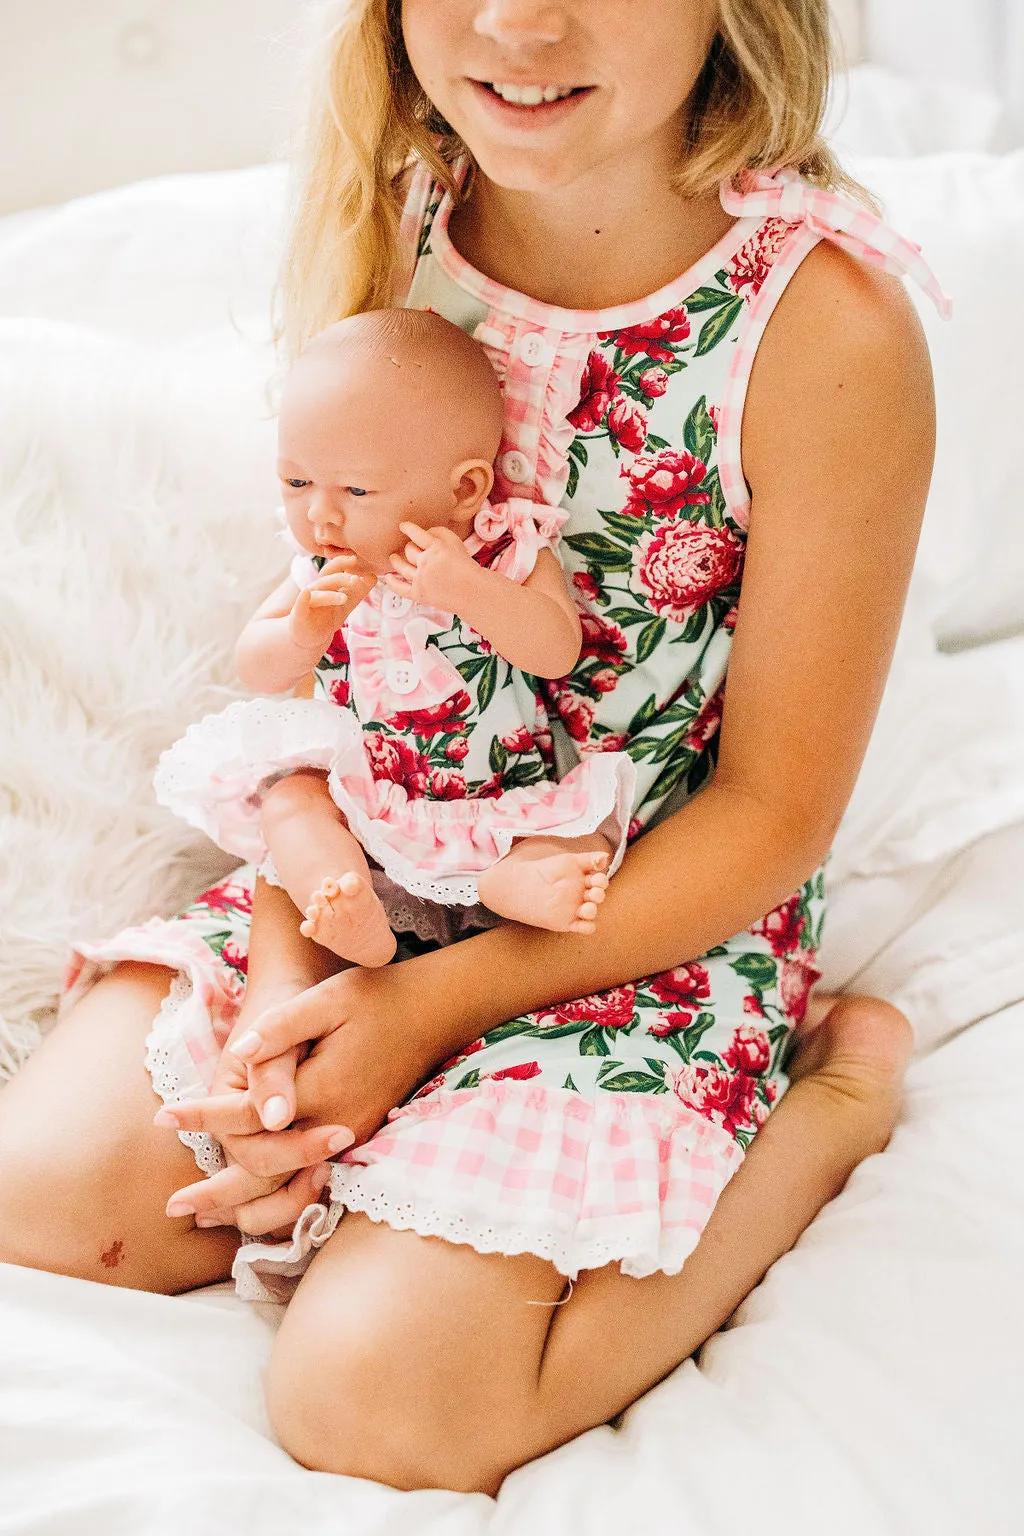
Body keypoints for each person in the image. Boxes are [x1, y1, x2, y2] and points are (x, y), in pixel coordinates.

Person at [0, 0, 946, 1497]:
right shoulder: (404, 218)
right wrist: (303, 1004)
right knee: (52, 1207)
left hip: (635, 919)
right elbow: (330, 698)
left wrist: (428, 1015)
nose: (517, 22)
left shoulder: (827, 324)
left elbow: (771, 813)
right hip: (380, 864)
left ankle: (825, 1117)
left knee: (376, 1412)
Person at [154, 309, 633, 966]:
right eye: (296, 482)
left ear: (464, 489)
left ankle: (511, 885)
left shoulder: (505, 552)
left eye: (354, 488)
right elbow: (256, 667)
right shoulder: (323, 570)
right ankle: (340, 899)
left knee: (584, 836)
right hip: (361, 808)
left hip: (495, 802)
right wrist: (304, 630)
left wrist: (465, 588)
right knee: (292, 803)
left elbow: (555, 652)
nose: (319, 512)